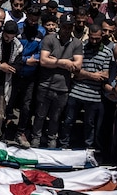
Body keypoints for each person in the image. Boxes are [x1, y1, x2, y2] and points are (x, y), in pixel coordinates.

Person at [31, 13, 83, 148]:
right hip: (46, 84)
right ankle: (36, 137)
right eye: (65, 27)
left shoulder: (77, 43)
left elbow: (77, 66)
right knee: (40, 115)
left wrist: (55, 61)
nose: (67, 30)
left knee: (55, 117)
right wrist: (64, 63)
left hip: (63, 87)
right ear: (60, 26)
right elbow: (43, 60)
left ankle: (51, 138)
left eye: (70, 27)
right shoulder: (49, 39)